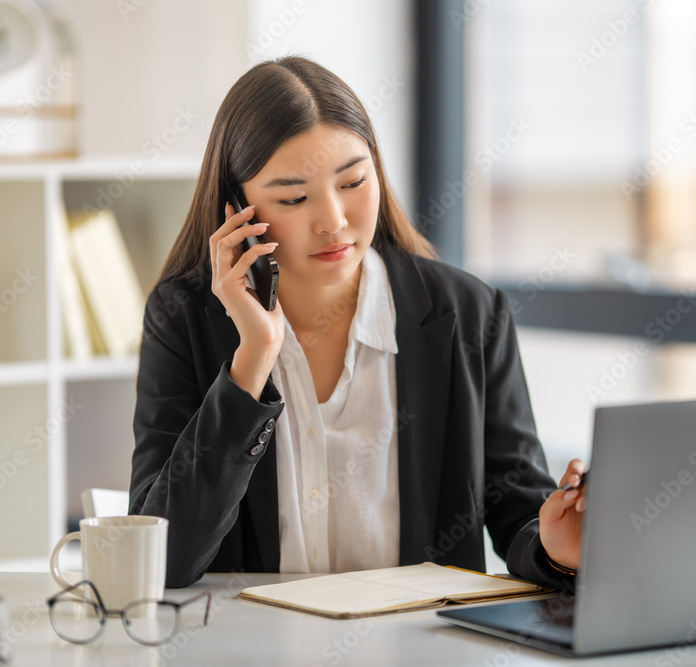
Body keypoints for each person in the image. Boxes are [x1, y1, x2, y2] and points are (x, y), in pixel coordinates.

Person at [129, 56, 587, 589]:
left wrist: (556, 549)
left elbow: (519, 512)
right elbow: (161, 558)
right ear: (237, 210)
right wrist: (252, 360)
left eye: (352, 182)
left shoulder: (468, 314)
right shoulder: (181, 318)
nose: (334, 221)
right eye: (294, 198)